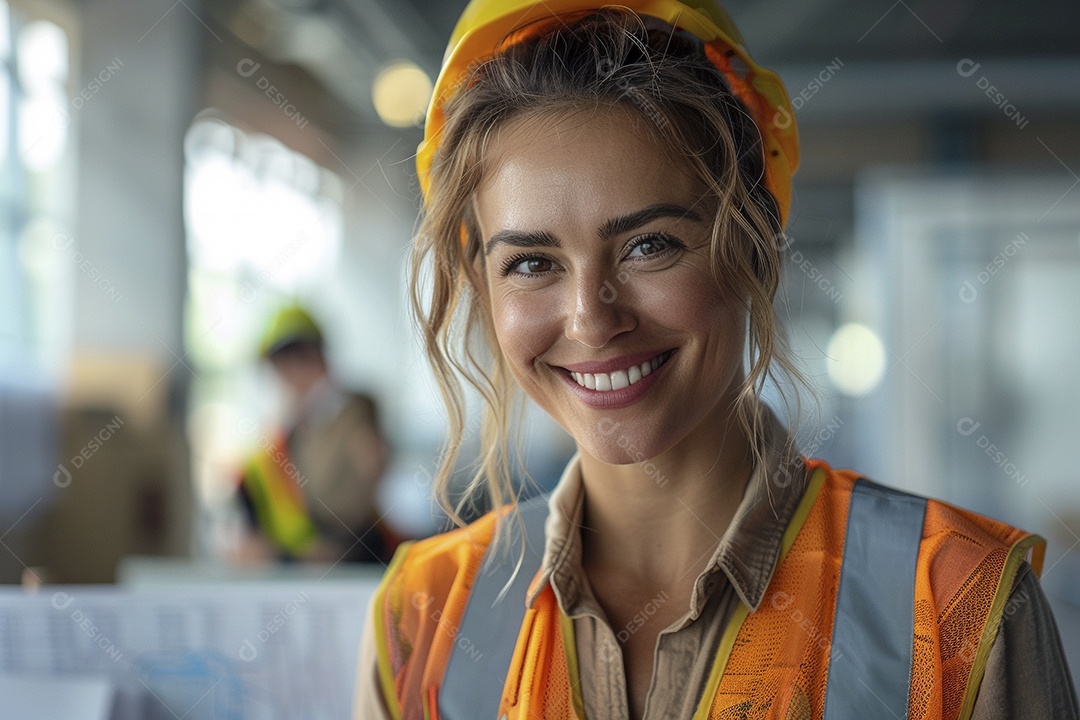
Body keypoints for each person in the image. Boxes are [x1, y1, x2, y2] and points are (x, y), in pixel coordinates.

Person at [354, 2, 1078, 718]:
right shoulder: (423, 616)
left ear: (755, 252)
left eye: (649, 244)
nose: (592, 318)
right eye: (532, 261)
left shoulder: (959, 604)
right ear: (482, 286)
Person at [234, 303, 394, 565]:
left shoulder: (354, 412)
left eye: (285, 368)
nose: (283, 381)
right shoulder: (287, 431)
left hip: (346, 557)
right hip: (296, 561)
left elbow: (351, 502)